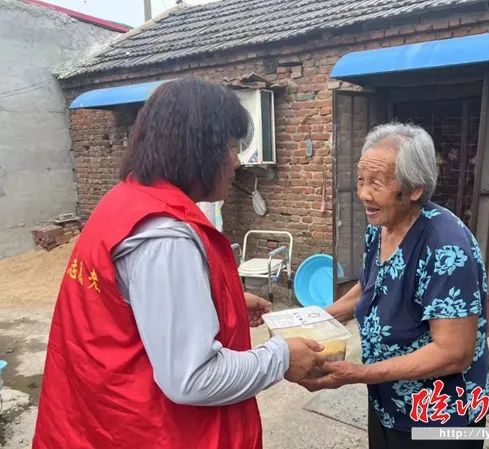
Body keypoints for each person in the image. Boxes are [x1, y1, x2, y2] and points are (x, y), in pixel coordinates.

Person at [33, 78, 323, 449]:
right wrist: (281, 357)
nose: (236, 161)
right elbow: (192, 378)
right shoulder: (165, 236)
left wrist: (228, 303)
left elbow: (140, 310)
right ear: (199, 151)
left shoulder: (125, 201)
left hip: (95, 421)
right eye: (230, 147)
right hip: (150, 432)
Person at [302, 123, 489, 449]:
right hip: (388, 400)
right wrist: (313, 320)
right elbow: (369, 287)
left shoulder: (446, 247)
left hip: (440, 413)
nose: (364, 194)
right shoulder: (380, 226)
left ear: (415, 189)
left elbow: (454, 353)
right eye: (361, 180)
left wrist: (359, 373)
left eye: (377, 183)